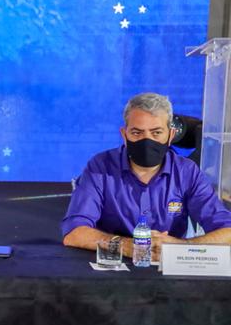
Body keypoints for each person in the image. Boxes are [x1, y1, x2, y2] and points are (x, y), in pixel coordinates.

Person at [62, 92, 231, 258]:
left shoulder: (187, 172)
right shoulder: (101, 166)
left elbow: (227, 232)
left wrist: (179, 247)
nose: (147, 140)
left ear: (171, 135)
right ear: (124, 135)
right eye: (137, 133)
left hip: (169, 269)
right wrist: (129, 247)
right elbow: (74, 233)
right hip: (112, 265)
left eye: (156, 132)